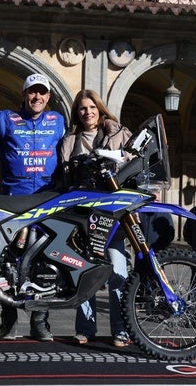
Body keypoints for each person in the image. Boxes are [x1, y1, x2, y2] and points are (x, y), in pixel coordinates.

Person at [0, 73, 66, 342]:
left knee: (45, 264)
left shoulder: (58, 122)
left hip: (46, 199)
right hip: (13, 200)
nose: (37, 97)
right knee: (8, 263)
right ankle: (8, 321)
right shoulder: (4, 119)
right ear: (24, 95)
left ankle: (40, 322)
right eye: (32, 92)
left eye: (42, 93)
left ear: (48, 97)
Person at [60, 89, 133, 347]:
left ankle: (121, 330)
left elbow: (134, 167)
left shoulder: (118, 134)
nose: (87, 112)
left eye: (92, 107)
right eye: (82, 108)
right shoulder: (70, 141)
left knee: (117, 273)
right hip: (83, 218)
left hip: (112, 217)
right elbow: (66, 178)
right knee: (86, 275)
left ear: (100, 109)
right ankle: (85, 328)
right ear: (77, 113)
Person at [137, 187, 175, 253]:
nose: (155, 202)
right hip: (141, 250)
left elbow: (170, 234)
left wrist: (160, 246)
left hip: (158, 251)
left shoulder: (165, 215)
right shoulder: (140, 213)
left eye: (157, 200)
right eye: (153, 200)